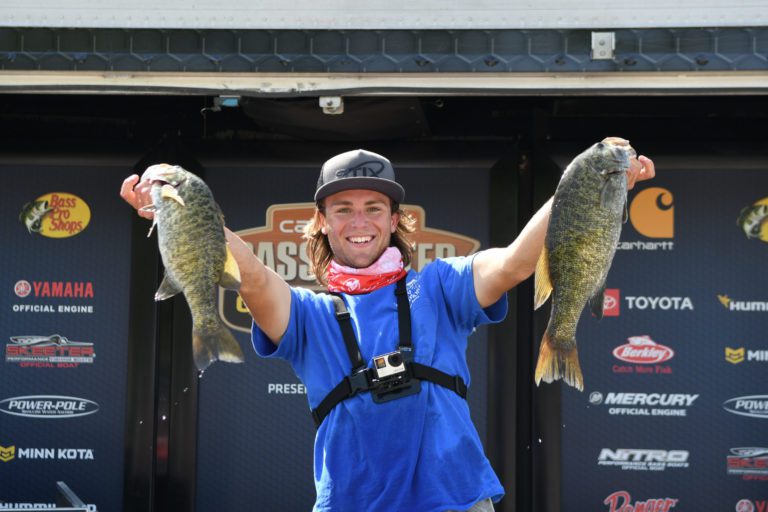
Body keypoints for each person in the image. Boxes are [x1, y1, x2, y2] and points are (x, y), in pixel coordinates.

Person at [120, 142, 655, 512]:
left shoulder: (442, 287)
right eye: (344, 208)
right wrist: (176, 202)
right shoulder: (309, 315)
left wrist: (595, 183)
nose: (360, 222)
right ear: (323, 223)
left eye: (374, 208)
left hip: (457, 498)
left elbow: (517, 262)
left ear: (396, 220)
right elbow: (255, 278)